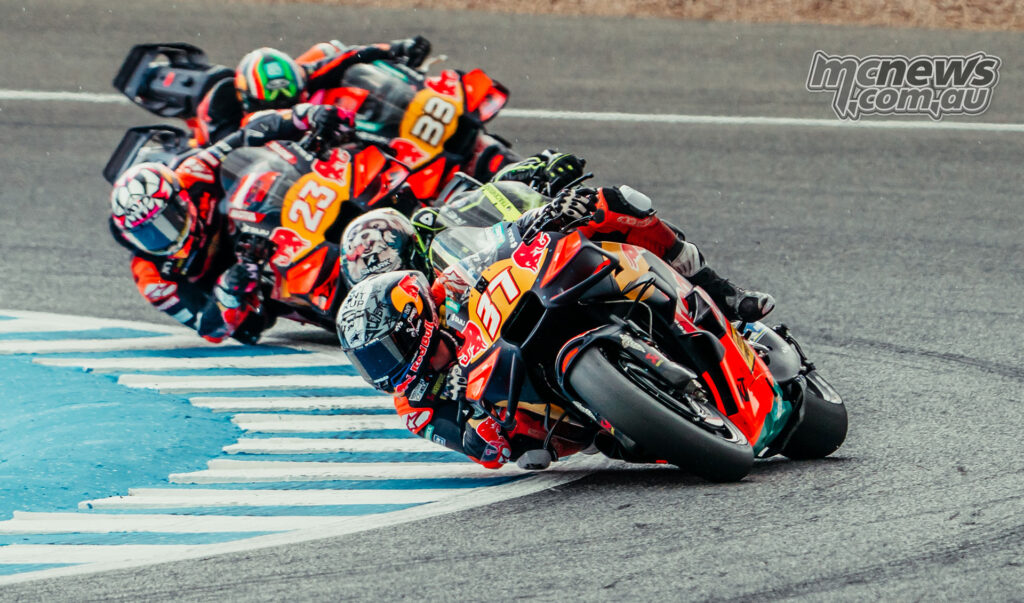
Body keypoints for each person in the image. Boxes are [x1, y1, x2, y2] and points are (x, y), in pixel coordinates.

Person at [336, 167, 776, 470]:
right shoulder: (412, 401)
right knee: (555, 451)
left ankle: (724, 293)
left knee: (616, 203)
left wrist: (547, 214)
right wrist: (481, 433)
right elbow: (478, 450)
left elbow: (494, 242)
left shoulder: (442, 285)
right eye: (370, 362)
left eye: (385, 351)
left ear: (415, 320)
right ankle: (633, 412)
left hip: (536, 302)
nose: (384, 368)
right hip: (539, 403)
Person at [109, 103, 356, 343]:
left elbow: (247, 134)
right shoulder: (151, 278)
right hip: (244, 279)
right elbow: (207, 328)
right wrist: (228, 291)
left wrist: (305, 115)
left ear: (181, 200)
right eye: (148, 233)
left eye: (166, 222)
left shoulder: (193, 172)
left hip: (263, 223)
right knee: (247, 328)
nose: (164, 237)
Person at [234, 37, 431, 115]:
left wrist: (396, 49)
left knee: (327, 50)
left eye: (289, 103)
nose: (283, 111)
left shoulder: (305, 75)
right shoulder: (228, 129)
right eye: (274, 107)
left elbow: (347, 58)